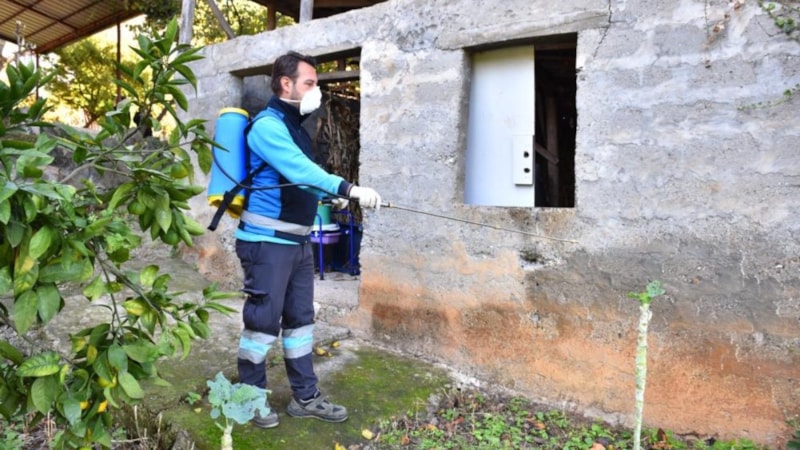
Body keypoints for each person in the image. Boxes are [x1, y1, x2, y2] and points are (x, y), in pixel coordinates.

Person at [234, 51, 381, 428]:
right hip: (266, 242)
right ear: (287, 84)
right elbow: (299, 169)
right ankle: (249, 399)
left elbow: (296, 182)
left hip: (298, 243)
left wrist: (326, 196)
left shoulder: (296, 128)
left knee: (300, 321)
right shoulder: (268, 125)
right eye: (310, 83)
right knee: (262, 323)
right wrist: (347, 187)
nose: (316, 91)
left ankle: (305, 396)